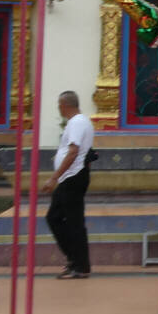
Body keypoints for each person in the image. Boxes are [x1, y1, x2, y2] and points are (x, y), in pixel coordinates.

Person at [45, 90, 95, 279]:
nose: (59, 108)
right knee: (55, 217)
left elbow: (74, 152)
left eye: (59, 105)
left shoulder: (77, 123)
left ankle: (79, 265)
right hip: (71, 177)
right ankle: (75, 260)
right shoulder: (79, 122)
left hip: (72, 177)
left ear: (65, 105)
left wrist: (54, 177)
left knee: (73, 222)